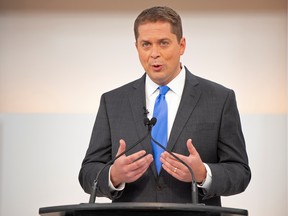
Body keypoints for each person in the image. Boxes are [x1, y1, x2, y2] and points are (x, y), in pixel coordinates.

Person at [79, 6, 251, 206]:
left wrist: (203, 173)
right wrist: (113, 175)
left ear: (182, 45)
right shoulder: (113, 101)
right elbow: (87, 173)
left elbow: (240, 172)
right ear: (136, 47)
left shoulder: (220, 99)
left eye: (163, 43)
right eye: (146, 44)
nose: (154, 53)